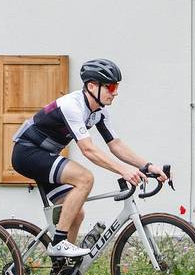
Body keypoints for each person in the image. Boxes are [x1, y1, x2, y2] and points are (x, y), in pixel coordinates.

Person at [10, 59, 166, 259]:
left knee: (77, 213)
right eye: (110, 86)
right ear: (92, 86)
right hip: (27, 152)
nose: (115, 92)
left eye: (116, 86)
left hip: (44, 155)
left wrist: (148, 166)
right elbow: (88, 149)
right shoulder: (71, 105)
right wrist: (123, 170)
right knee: (85, 178)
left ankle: (63, 271)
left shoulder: (99, 112)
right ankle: (59, 243)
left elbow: (115, 144)